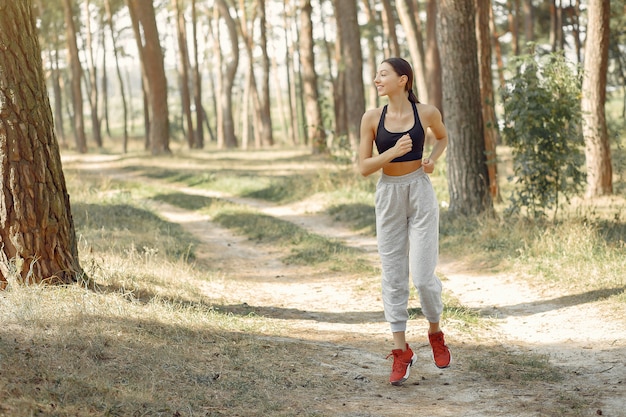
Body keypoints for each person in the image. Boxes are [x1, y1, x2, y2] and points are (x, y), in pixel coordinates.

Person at [358, 57, 451, 386]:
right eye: (376, 74)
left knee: (424, 277)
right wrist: (392, 153)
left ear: (403, 80)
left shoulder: (426, 113)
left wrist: (431, 160)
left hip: (420, 193)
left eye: (383, 74)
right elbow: (364, 167)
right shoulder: (372, 118)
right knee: (394, 275)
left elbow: (442, 138)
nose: (376, 79)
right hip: (388, 195)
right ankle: (401, 351)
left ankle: (435, 332)